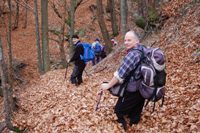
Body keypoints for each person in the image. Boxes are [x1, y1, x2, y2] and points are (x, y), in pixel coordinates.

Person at [100, 31, 145, 130]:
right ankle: (134, 122)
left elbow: (120, 74)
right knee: (135, 115)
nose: (126, 42)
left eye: (129, 40)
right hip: (143, 88)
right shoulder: (143, 49)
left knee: (118, 112)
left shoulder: (132, 55)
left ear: (137, 41)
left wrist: (108, 85)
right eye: (125, 40)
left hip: (133, 89)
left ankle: (122, 128)